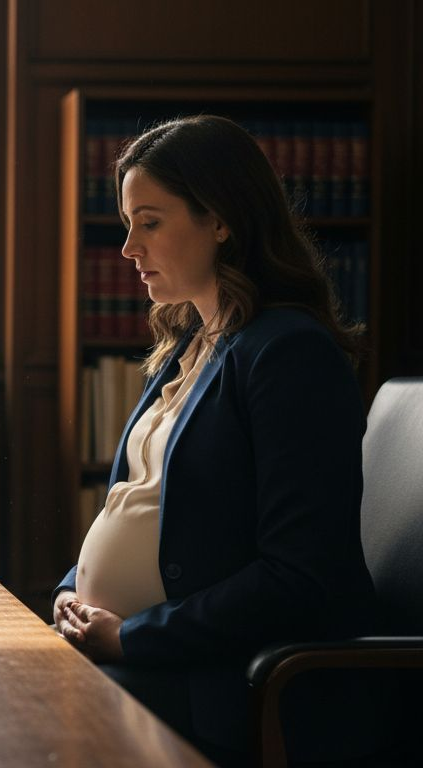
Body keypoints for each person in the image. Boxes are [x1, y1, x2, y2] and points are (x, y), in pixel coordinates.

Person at [52, 116, 374, 763]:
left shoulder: (288, 353)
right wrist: (71, 592)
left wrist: (135, 637)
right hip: (145, 655)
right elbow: (132, 501)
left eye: (150, 222)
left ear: (220, 219)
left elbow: (299, 577)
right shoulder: (189, 346)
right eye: (126, 223)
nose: (127, 249)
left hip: (216, 681)